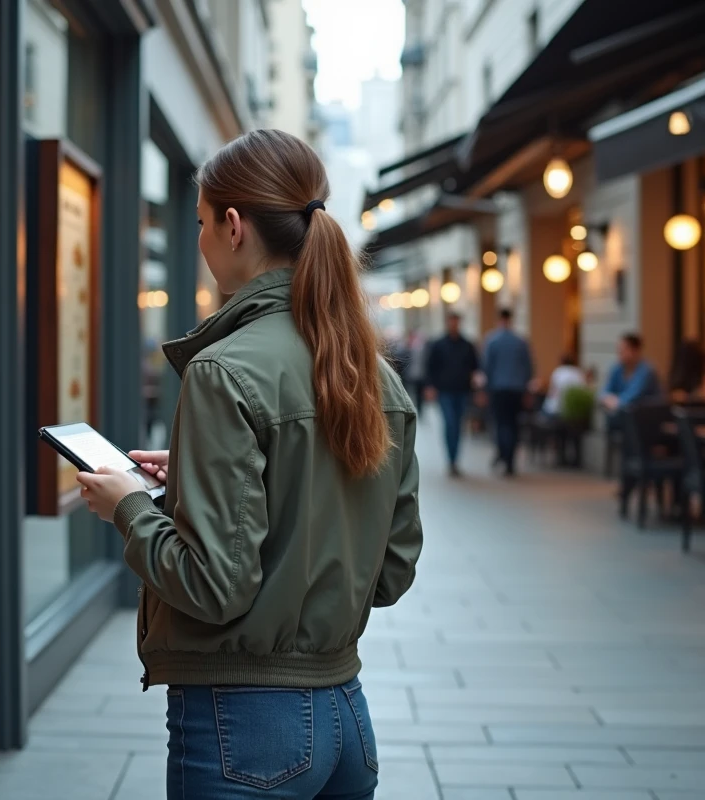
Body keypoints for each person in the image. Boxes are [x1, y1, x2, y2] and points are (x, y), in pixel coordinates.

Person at [75, 129, 422, 800]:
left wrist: (129, 507)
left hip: (245, 729)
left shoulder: (223, 372)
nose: (199, 242)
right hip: (347, 718)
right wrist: (204, 477)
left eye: (201, 223)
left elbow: (213, 586)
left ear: (233, 226)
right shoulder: (377, 378)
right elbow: (391, 570)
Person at [424, 312, 480, 475]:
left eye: (456, 322)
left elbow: (475, 368)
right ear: (447, 323)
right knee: (450, 424)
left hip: (462, 390)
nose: (454, 324)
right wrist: (430, 387)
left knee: (458, 424)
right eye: (451, 322)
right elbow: (430, 367)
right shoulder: (438, 344)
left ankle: (455, 459)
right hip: (445, 391)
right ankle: (451, 459)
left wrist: (477, 391)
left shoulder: (467, 345)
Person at [481, 308, 533, 475]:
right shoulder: (521, 341)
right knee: (513, 424)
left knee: (501, 423)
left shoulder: (492, 340)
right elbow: (528, 368)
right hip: (517, 389)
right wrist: (525, 388)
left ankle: (503, 454)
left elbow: (487, 367)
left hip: (499, 388)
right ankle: (509, 459)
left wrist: (485, 389)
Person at [601, 332, 663, 415]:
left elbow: (634, 395)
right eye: (619, 349)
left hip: (648, 417)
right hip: (626, 416)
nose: (620, 352)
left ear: (635, 351)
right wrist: (606, 398)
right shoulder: (617, 368)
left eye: (624, 349)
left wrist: (617, 402)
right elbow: (605, 390)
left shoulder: (647, 370)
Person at [403, 328, 428, 415]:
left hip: (420, 376)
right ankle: (411, 408)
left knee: (418, 395)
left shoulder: (422, 349)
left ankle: (418, 409)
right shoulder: (407, 348)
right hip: (410, 376)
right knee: (410, 393)